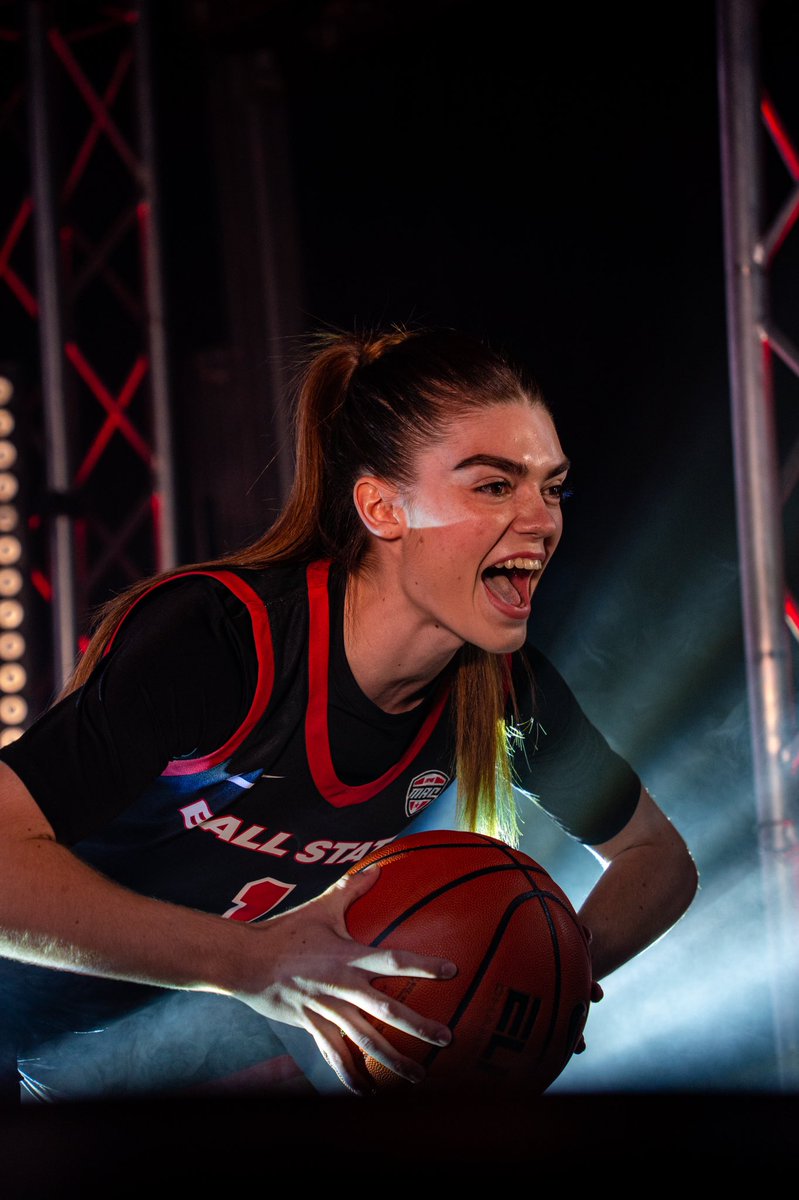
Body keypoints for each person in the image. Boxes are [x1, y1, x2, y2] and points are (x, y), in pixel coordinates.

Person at [0, 327, 698, 1102]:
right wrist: (249, 960)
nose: (541, 519)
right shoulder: (227, 642)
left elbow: (656, 858)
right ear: (382, 508)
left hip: (184, 1037)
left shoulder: (500, 687)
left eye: (551, 486)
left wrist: (547, 975)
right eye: (494, 486)